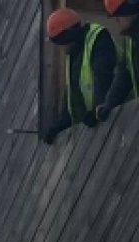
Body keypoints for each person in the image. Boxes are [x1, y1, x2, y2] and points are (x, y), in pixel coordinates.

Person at [43, 8, 117, 142]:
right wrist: (59, 125)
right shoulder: (73, 56)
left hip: (116, 118)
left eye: (62, 43)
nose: (62, 48)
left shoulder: (98, 39)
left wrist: (98, 108)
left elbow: (104, 77)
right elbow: (73, 98)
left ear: (70, 36)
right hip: (92, 129)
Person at [99, 0, 139, 120]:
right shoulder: (131, 40)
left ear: (127, 12)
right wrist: (109, 104)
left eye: (117, 16)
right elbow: (123, 75)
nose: (116, 21)